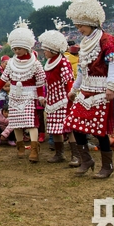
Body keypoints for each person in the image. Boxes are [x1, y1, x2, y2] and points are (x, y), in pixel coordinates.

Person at [64, 0, 114, 179]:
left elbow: (113, 65)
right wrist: (74, 89)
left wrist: (111, 87)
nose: (79, 29)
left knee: (99, 130)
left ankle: (107, 165)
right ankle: (86, 159)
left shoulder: (108, 40)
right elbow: (81, 69)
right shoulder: (86, 42)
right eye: (78, 25)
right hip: (85, 88)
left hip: (101, 89)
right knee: (75, 125)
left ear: (91, 22)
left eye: (81, 25)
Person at [0, 19, 46, 162]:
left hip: (29, 95)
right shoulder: (11, 63)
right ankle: (20, 145)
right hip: (15, 95)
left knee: (31, 122)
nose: (16, 51)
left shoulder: (35, 64)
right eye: (14, 49)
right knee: (15, 122)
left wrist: (41, 96)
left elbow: (40, 82)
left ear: (27, 48)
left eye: (19, 49)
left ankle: (34, 148)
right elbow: (4, 78)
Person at [37, 29, 76, 164]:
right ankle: (60, 154)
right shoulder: (48, 63)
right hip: (52, 100)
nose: (44, 52)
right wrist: (45, 97)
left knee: (68, 128)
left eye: (46, 49)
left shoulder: (63, 62)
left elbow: (68, 80)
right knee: (54, 128)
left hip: (64, 100)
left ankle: (75, 155)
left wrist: (70, 95)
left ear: (53, 49)